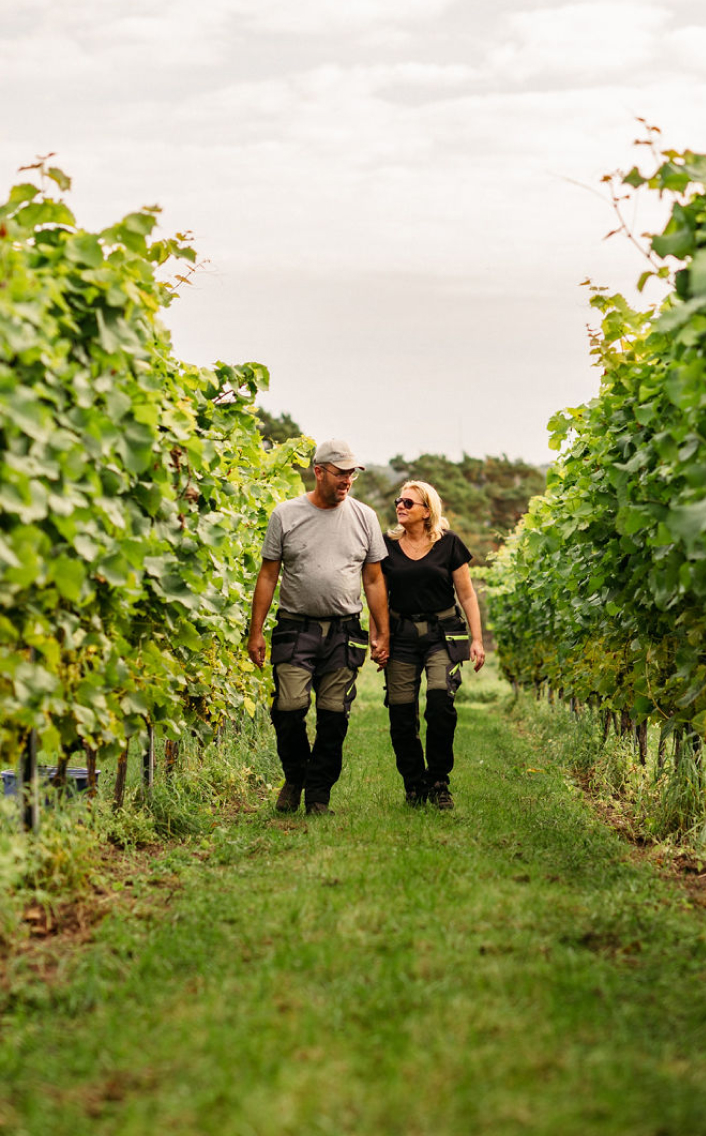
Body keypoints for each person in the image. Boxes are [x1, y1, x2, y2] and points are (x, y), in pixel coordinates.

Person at [247, 439, 390, 816]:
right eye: (340, 473)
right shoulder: (286, 515)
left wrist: (381, 632)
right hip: (296, 626)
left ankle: (318, 796)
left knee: (333, 714)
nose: (347, 481)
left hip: (345, 631)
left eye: (351, 474)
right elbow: (268, 575)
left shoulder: (365, 517)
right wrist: (256, 630)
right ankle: (296, 776)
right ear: (319, 471)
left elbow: (374, 580)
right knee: (289, 707)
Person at [372, 480, 485, 809]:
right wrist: (378, 637)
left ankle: (438, 780)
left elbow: (466, 594)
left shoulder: (449, 544)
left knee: (440, 703)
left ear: (427, 511)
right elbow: (377, 594)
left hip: (440, 634)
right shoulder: (387, 545)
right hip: (401, 635)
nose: (401, 506)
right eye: (399, 501)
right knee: (401, 712)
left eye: (409, 502)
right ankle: (413, 783)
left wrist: (476, 639)